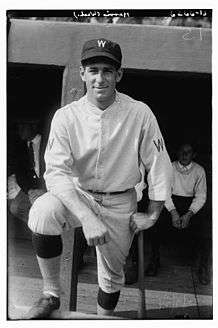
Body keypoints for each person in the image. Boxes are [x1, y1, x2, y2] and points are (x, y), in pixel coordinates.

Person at [25, 38, 172, 319]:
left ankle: (102, 320)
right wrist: (88, 218)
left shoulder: (139, 112)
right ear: (82, 73)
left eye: (107, 70)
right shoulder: (66, 116)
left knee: (112, 277)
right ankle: (50, 294)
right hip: (78, 195)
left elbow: (159, 164)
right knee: (43, 211)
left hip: (120, 202)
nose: (100, 78)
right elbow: (56, 173)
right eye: (93, 70)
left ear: (118, 75)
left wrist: (152, 215)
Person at [145, 142, 210, 285]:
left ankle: (203, 268)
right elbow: (164, 192)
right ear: (177, 153)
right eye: (182, 151)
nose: (185, 155)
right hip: (171, 203)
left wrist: (189, 214)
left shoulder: (199, 171)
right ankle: (154, 261)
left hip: (190, 206)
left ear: (194, 155)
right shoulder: (170, 167)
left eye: (188, 152)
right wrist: (173, 212)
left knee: (206, 231)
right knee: (154, 224)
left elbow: (201, 196)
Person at [8, 118, 46, 224]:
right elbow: (20, 174)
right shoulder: (20, 147)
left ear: (33, 127)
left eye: (23, 127)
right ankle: (38, 228)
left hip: (49, 187)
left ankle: (45, 230)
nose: (19, 130)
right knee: (16, 207)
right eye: (19, 127)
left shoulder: (48, 142)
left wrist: (45, 190)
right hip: (31, 189)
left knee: (46, 207)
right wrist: (29, 191)